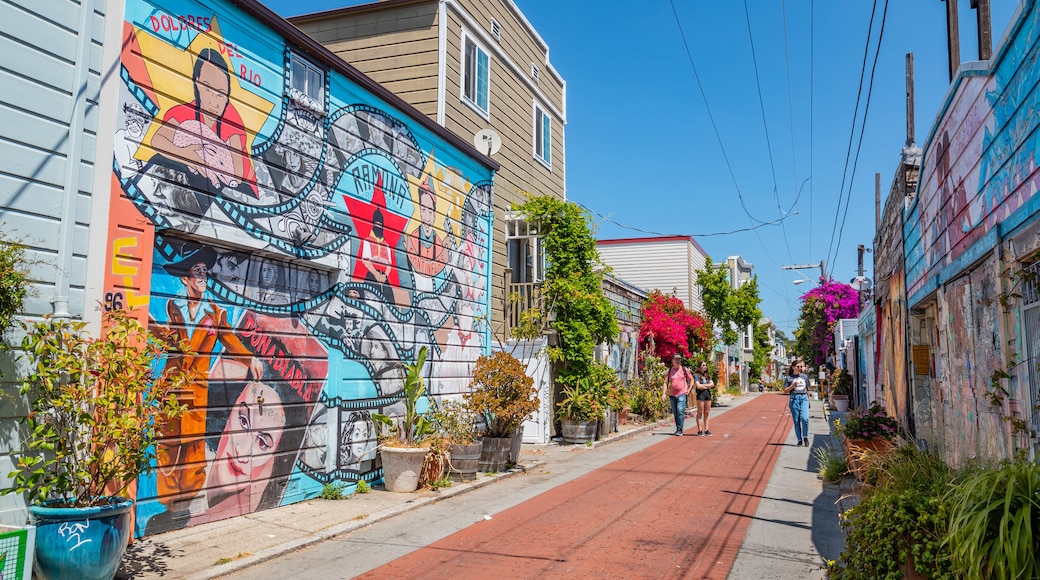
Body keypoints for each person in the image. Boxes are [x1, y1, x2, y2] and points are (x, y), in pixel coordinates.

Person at [151, 245, 263, 509]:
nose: (203, 277)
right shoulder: (173, 306)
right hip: (171, 386)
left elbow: (231, 340)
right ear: (185, 279)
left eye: (205, 272)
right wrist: (150, 325)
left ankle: (185, 503)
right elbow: (170, 339)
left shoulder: (215, 313)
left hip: (196, 389)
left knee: (192, 447)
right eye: (197, 271)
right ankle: (167, 503)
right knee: (167, 444)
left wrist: (250, 358)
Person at [147, 48, 257, 210]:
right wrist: (188, 155)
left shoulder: (232, 121)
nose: (214, 101)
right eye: (207, 88)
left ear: (227, 95)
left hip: (239, 192)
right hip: (203, 183)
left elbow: (237, 175)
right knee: (159, 159)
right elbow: (158, 140)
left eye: (221, 94)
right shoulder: (184, 112)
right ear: (197, 82)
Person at [660, 354, 692, 436]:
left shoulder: (684, 369)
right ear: (672, 361)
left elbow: (691, 379)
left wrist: (689, 389)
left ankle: (680, 430)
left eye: (679, 359)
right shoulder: (669, 370)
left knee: (680, 410)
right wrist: (664, 393)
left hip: (682, 393)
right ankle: (678, 428)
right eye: (676, 359)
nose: (678, 361)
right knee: (675, 412)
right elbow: (665, 382)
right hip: (672, 395)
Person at [783, 358, 812, 447]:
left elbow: (807, 389)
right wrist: (792, 386)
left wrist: (808, 400)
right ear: (793, 367)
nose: (800, 368)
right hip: (794, 399)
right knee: (796, 420)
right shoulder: (789, 378)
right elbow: (785, 391)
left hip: (803, 398)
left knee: (805, 418)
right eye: (798, 366)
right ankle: (799, 439)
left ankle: (805, 436)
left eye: (801, 366)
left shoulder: (804, 377)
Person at [692, 361, 715, 436]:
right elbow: (698, 386)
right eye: (703, 365)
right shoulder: (696, 375)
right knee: (700, 412)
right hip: (700, 395)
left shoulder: (707, 375)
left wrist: (704, 386)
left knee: (707, 412)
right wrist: (707, 385)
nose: (705, 366)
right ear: (700, 366)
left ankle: (706, 429)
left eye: (706, 365)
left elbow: (712, 384)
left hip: (707, 394)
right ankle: (700, 430)